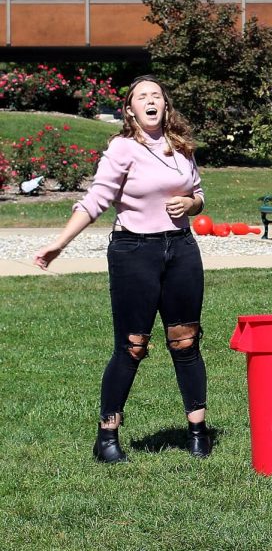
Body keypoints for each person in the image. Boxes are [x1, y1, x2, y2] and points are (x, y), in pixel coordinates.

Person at [34, 75, 211, 463]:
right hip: (134, 251)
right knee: (133, 345)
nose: (151, 101)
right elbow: (96, 199)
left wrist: (191, 205)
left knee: (185, 340)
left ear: (166, 105)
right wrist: (59, 243)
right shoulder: (122, 149)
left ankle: (197, 431)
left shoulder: (181, 146)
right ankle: (108, 435)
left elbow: (198, 193)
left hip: (181, 248)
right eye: (141, 97)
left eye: (157, 96)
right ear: (130, 110)